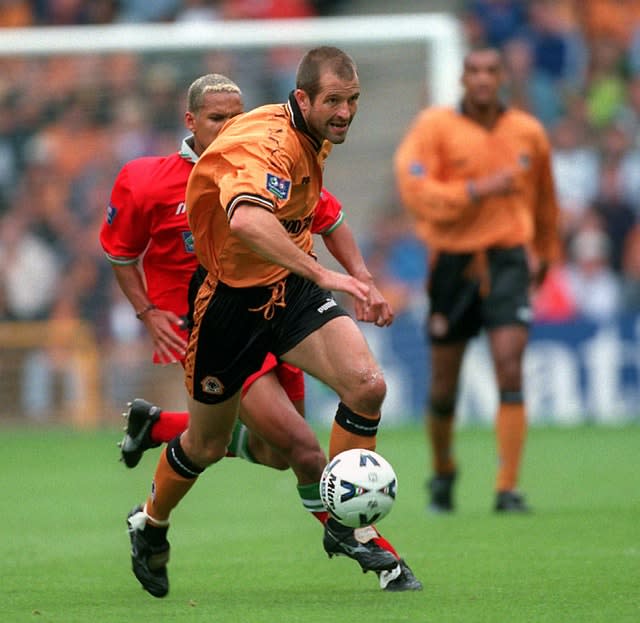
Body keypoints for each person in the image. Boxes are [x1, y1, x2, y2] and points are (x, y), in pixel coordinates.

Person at [102, 71, 420, 597]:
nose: (231, 126)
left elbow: (327, 215)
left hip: (283, 297)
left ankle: (158, 429)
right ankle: (153, 522)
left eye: (237, 115)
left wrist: (360, 277)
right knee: (291, 447)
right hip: (220, 318)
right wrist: (146, 312)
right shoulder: (146, 179)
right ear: (191, 122)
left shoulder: (274, 152)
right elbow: (119, 251)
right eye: (217, 118)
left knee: (327, 415)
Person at [394, 46, 560, 514]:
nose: (484, 79)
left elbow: (546, 200)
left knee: (510, 363)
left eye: (492, 71)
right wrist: (475, 189)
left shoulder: (528, 133)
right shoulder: (434, 128)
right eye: (475, 71)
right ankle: (443, 473)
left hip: (508, 258)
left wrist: (546, 252)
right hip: (452, 263)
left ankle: (507, 486)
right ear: (463, 78)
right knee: (444, 382)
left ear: (503, 76)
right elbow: (416, 191)